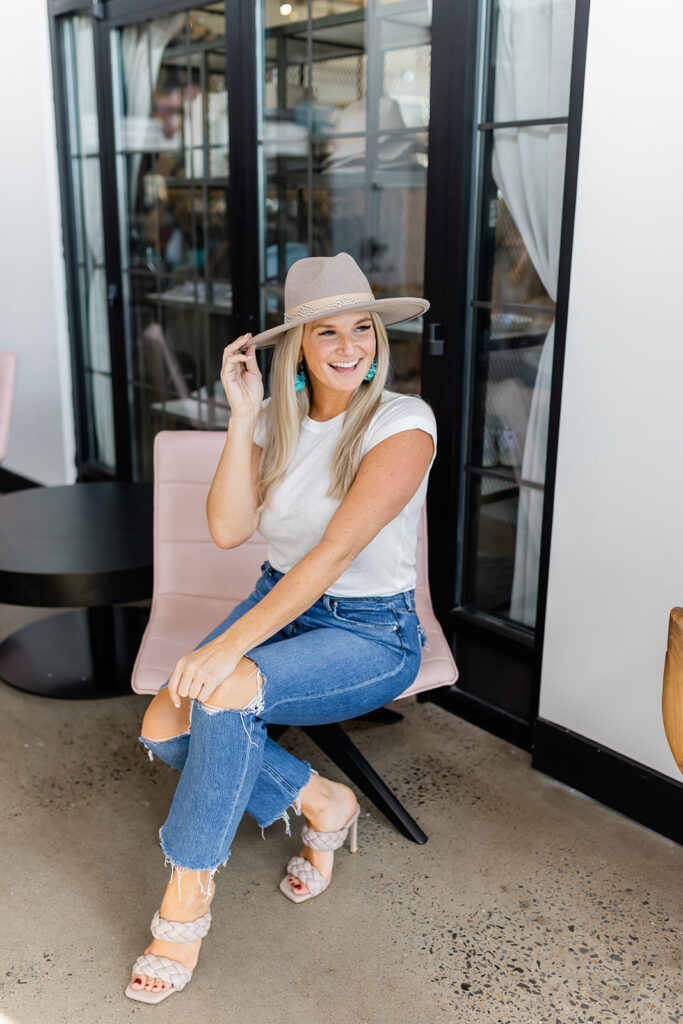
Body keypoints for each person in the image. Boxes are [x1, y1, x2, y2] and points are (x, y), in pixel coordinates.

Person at [126, 252, 437, 1003]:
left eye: (361, 329)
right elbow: (229, 531)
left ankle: (184, 905)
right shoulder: (276, 420)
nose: (348, 349)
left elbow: (332, 556)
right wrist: (241, 418)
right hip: (280, 600)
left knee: (223, 692)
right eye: (325, 333)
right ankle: (322, 801)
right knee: (163, 729)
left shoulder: (403, 422)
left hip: (371, 630)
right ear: (296, 346)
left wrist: (228, 645)